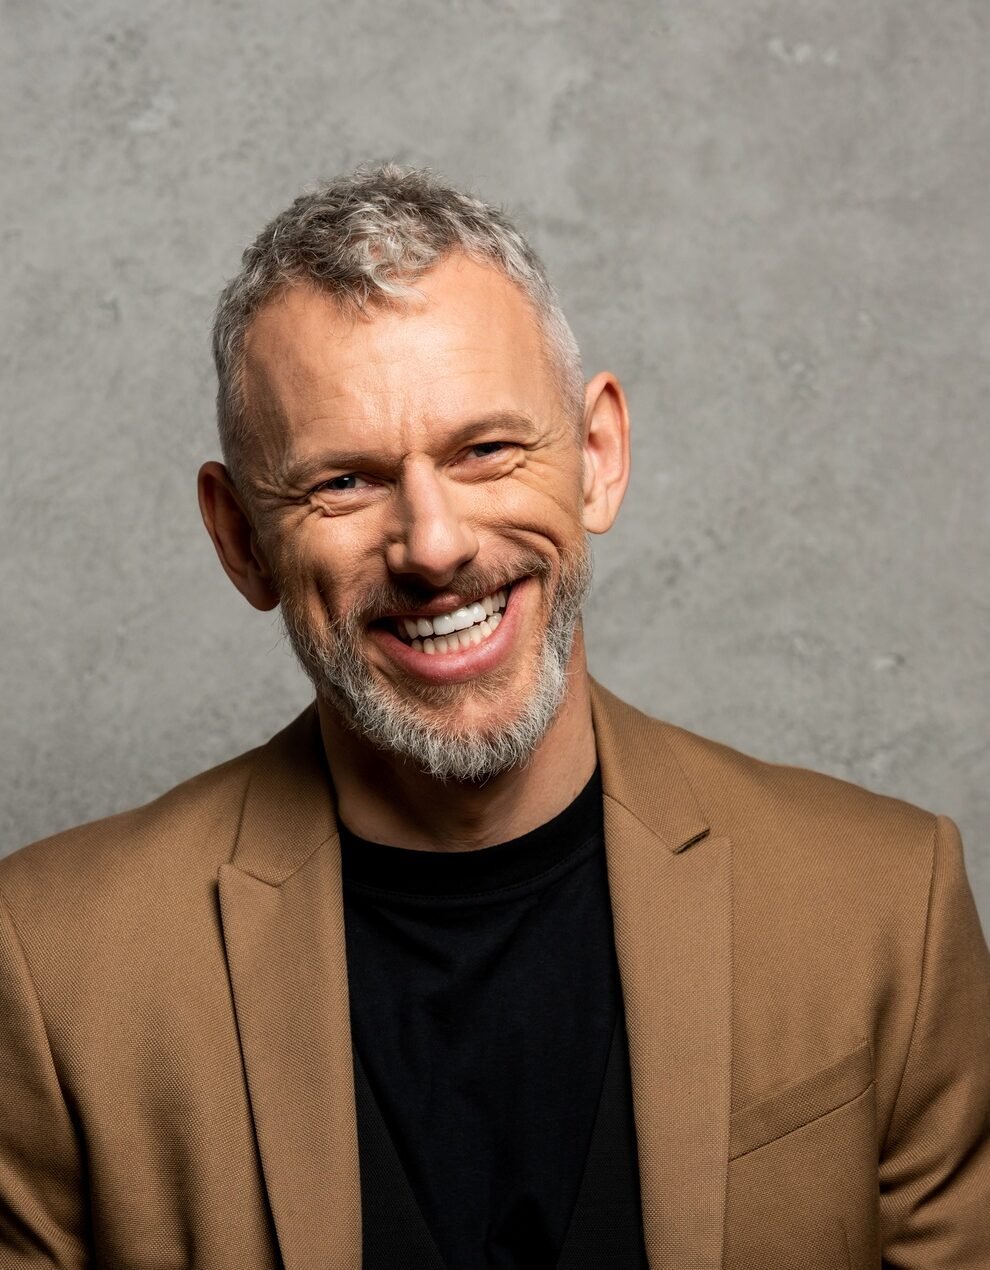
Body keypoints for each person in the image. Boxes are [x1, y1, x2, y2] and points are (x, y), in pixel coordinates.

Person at [1, 164, 987, 1270]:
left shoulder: (883, 905)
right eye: (342, 482)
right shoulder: (49, 966)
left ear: (598, 458)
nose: (433, 544)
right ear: (240, 540)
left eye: (485, 451)